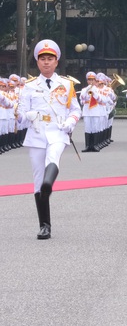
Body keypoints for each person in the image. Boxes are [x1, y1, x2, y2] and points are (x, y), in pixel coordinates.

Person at [16, 39, 81, 239]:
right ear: (37, 62)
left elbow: (75, 109)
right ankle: (45, 225)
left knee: (53, 157)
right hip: (36, 132)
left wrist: (71, 121)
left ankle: (48, 183)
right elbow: (20, 115)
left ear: (56, 61)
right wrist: (27, 116)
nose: (46, 62)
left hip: (57, 130)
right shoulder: (28, 86)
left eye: (50, 59)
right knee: (37, 179)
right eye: (42, 59)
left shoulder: (67, 84)